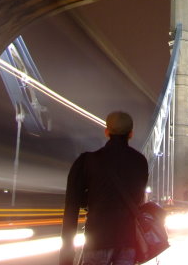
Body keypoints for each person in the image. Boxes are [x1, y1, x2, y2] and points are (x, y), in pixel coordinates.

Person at [60, 111, 149, 265]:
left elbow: (71, 207)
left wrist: (67, 255)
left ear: (107, 131)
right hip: (127, 242)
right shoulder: (140, 162)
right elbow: (139, 199)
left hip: (97, 239)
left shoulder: (87, 161)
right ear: (131, 134)